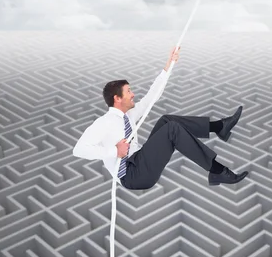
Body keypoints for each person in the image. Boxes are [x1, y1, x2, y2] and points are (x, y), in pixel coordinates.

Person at [72, 46, 248, 190]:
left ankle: (219, 127)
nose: (133, 94)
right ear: (117, 99)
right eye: (128, 92)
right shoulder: (104, 123)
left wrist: (169, 65)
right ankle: (217, 170)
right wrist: (114, 151)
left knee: (166, 121)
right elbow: (79, 150)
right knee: (171, 130)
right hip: (133, 176)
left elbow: (151, 97)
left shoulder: (129, 115)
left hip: (139, 160)